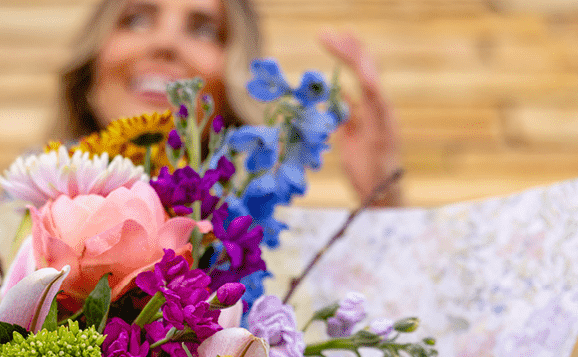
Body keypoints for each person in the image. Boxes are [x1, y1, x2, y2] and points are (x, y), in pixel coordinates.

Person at [47, 0, 404, 206]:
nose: (164, 43)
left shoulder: (258, 228)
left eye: (203, 29)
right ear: (90, 68)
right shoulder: (28, 202)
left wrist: (382, 199)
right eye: (136, 19)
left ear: (236, 82)